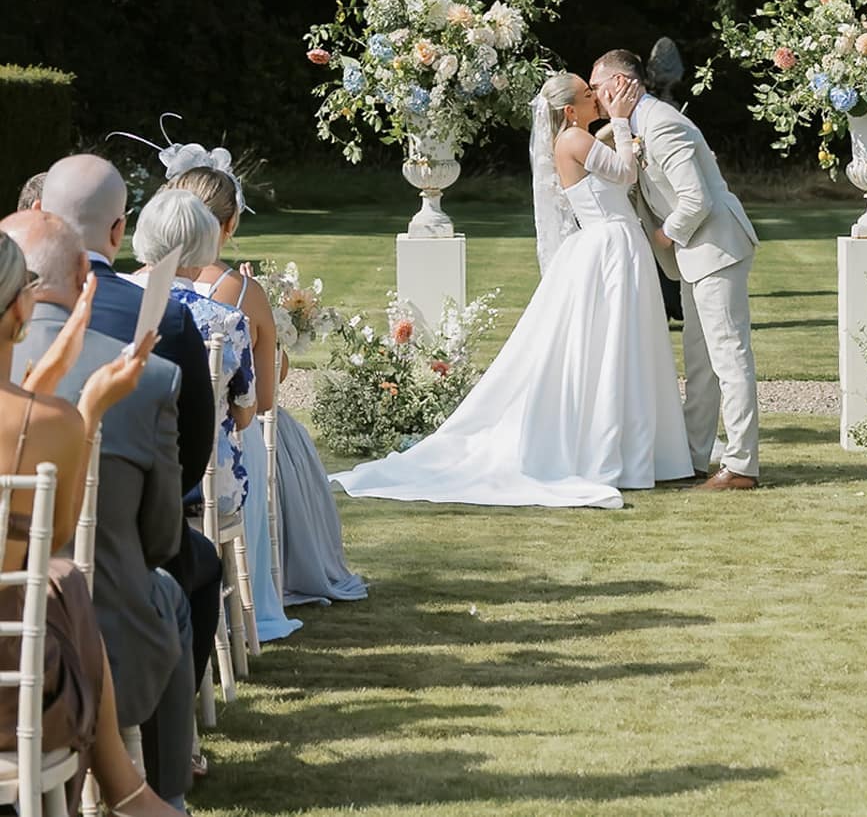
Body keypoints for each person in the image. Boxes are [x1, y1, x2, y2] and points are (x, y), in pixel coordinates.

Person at [331, 71, 692, 508]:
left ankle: (637, 447)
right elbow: (625, 174)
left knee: (625, 343)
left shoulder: (577, 138)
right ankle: (616, 450)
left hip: (615, 243)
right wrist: (619, 119)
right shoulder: (573, 139)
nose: (597, 97)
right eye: (588, 93)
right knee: (614, 342)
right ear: (570, 110)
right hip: (610, 244)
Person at [6, 211, 196, 809]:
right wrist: (88, 409)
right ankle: (134, 788)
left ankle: (129, 789)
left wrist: (50, 375)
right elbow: (58, 534)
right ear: (19, 310)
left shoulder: (35, 414)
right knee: (66, 581)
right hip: (17, 685)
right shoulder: (52, 425)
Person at [35, 155, 222, 699]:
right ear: (119, 230)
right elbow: (191, 454)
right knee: (195, 567)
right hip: (124, 546)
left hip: (19, 555)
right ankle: (174, 737)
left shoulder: (15, 324)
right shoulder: (164, 318)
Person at [168, 163, 364, 608]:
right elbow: (263, 399)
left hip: (158, 443)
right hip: (227, 447)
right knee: (283, 439)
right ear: (230, 224)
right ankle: (255, 590)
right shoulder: (243, 293)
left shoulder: (143, 287)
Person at [589, 49, 759, 490]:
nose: (594, 95)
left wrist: (664, 235)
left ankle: (741, 466)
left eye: (597, 87)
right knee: (701, 364)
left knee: (728, 357)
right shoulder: (636, 122)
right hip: (695, 255)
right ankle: (693, 457)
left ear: (620, 83)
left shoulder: (661, 123)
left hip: (716, 247)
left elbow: (695, 199)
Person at [128, 189, 256, 521]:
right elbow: (244, 414)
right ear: (205, 246)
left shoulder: (116, 304)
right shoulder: (227, 321)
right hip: (205, 487)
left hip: (126, 479)